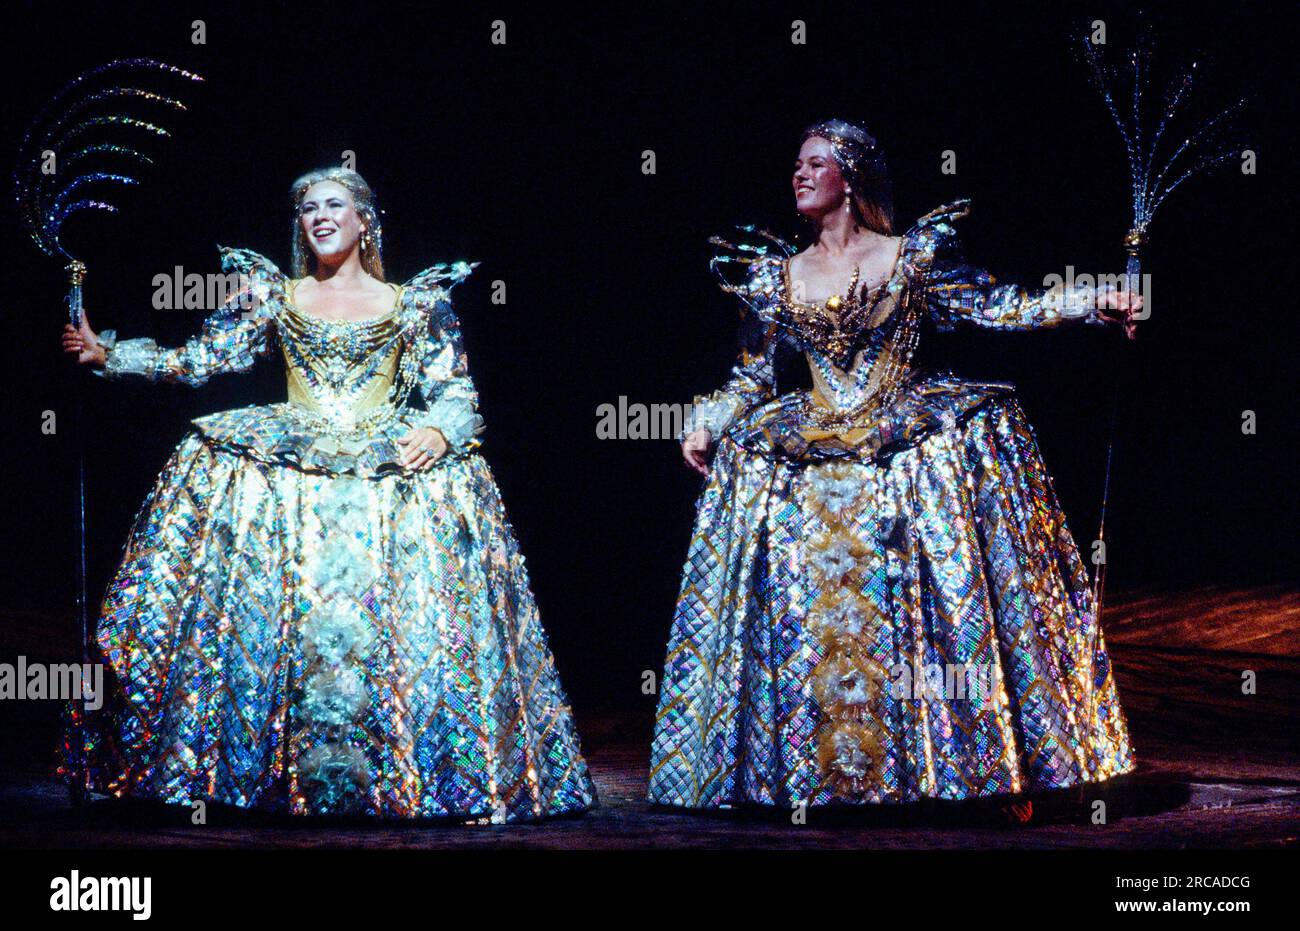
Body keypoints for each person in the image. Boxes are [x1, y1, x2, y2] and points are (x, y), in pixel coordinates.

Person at [60, 167, 594, 821]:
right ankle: (260, 775)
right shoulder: (276, 296)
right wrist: (111, 355)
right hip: (294, 477)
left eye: (334, 205)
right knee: (290, 625)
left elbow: (457, 393)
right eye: (307, 208)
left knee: (390, 628)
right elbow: (203, 359)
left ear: (365, 218)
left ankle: (413, 773)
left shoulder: (416, 303)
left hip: (384, 476)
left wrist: (440, 429)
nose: (319, 216)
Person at [649, 120, 1140, 814]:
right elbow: (753, 376)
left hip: (900, 446)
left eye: (815, 163)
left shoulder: (912, 257)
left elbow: (1000, 307)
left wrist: (1091, 300)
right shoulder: (773, 276)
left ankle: (965, 768)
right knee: (813, 616)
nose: (799, 174)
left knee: (917, 605)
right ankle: (814, 777)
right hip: (811, 451)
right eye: (796, 164)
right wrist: (706, 420)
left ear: (848, 178)